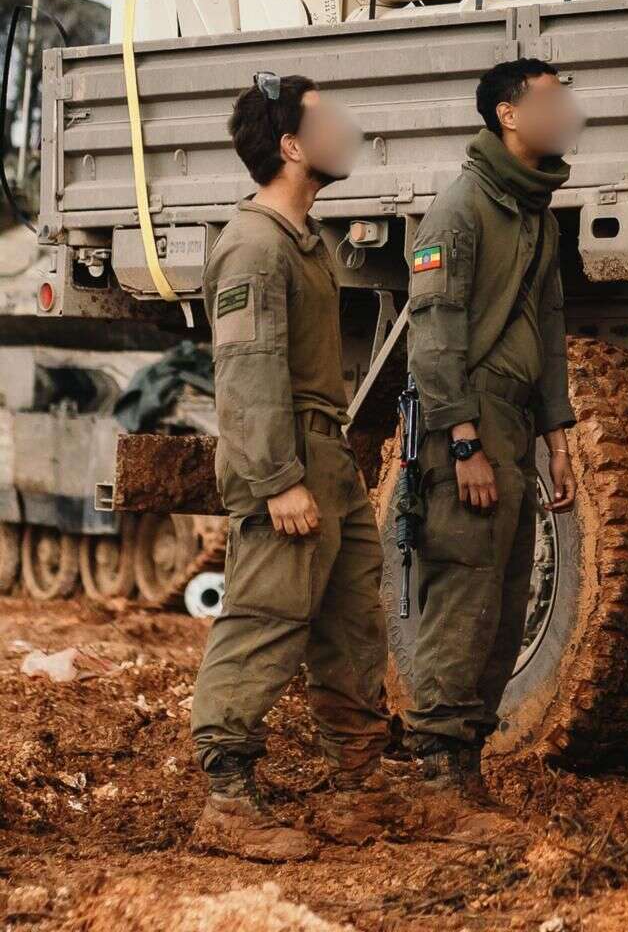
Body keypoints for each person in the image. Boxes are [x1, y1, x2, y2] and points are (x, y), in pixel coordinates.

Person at [190, 72, 388, 862]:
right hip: (288, 460)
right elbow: (246, 373)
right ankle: (227, 801)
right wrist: (277, 481)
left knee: (352, 624)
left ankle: (359, 790)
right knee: (265, 621)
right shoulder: (254, 243)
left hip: (326, 455)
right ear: (291, 146)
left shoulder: (303, 242)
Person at [397, 57, 582, 808]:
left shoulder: (532, 210)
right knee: (465, 589)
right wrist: (464, 441)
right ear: (509, 115)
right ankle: (435, 773)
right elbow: (433, 336)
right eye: (550, 100)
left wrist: (558, 430)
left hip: (513, 424)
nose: (565, 112)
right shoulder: (462, 208)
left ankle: (463, 765)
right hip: (464, 422)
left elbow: (550, 328)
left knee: (506, 597)